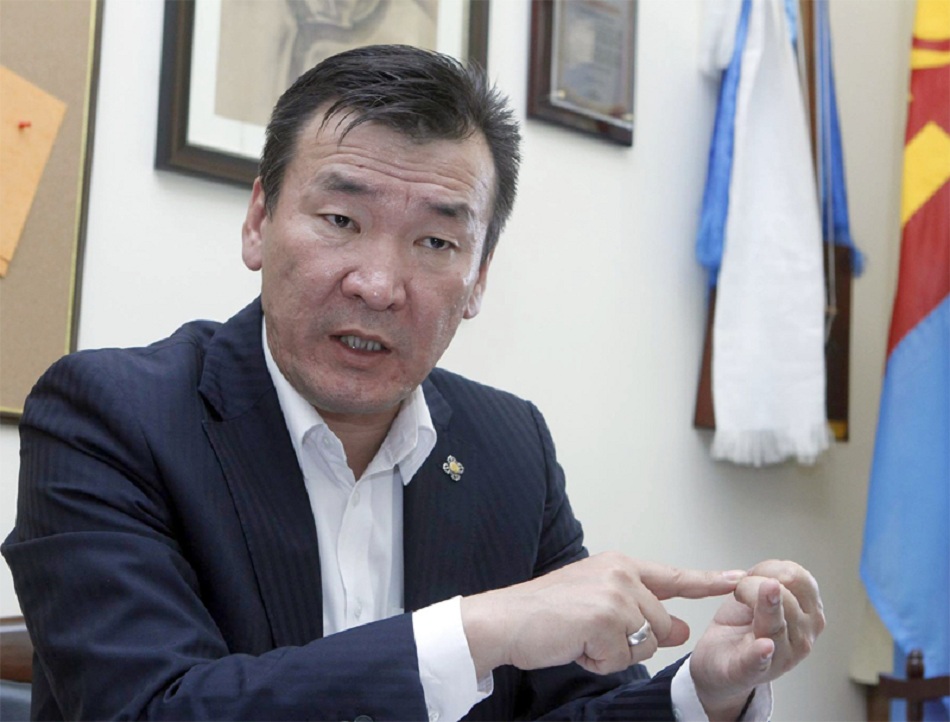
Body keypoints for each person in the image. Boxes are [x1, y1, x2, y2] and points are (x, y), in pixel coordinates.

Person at [2, 45, 824, 721]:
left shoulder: (509, 448)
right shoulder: (109, 417)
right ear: (258, 222)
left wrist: (704, 693)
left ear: (479, 279)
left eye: (435, 243)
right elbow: (150, 708)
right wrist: (476, 631)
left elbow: (575, 707)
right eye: (341, 220)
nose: (378, 284)